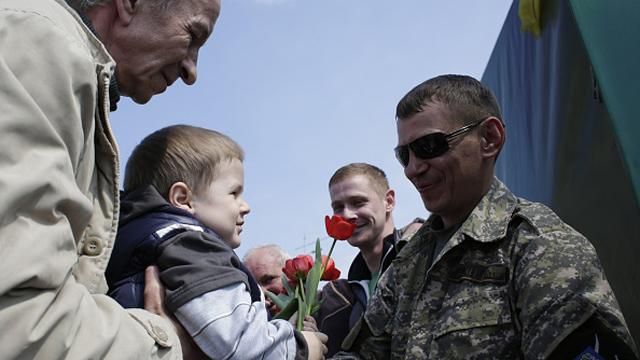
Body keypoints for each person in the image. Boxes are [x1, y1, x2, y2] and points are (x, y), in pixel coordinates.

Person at [334, 75, 639, 359]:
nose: (413, 169)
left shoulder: (540, 246)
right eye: (405, 155)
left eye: (428, 146)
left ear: (489, 138)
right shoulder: (408, 263)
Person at [0, 0, 221, 358]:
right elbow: (22, 317)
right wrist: (169, 341)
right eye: (193, 35)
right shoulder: (43, 43)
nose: (191, 70)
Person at [106, 125, 327, 359]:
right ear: (183, 199)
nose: (245, 206)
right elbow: (238, 343)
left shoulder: (132, 242)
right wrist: (301, 348)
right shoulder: (192, 246)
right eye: (234, 193)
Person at [315, 162, 423, 356]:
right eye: (338, 207)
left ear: (389, 201)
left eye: (358, 202)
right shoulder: (346, 291)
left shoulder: (422, 253)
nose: (347, 215)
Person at [244, 244, 291, 316]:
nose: (262, 292)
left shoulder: (311, 317)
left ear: (289, 274)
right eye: (254, 286)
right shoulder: (248, 325)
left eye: (268, 280)